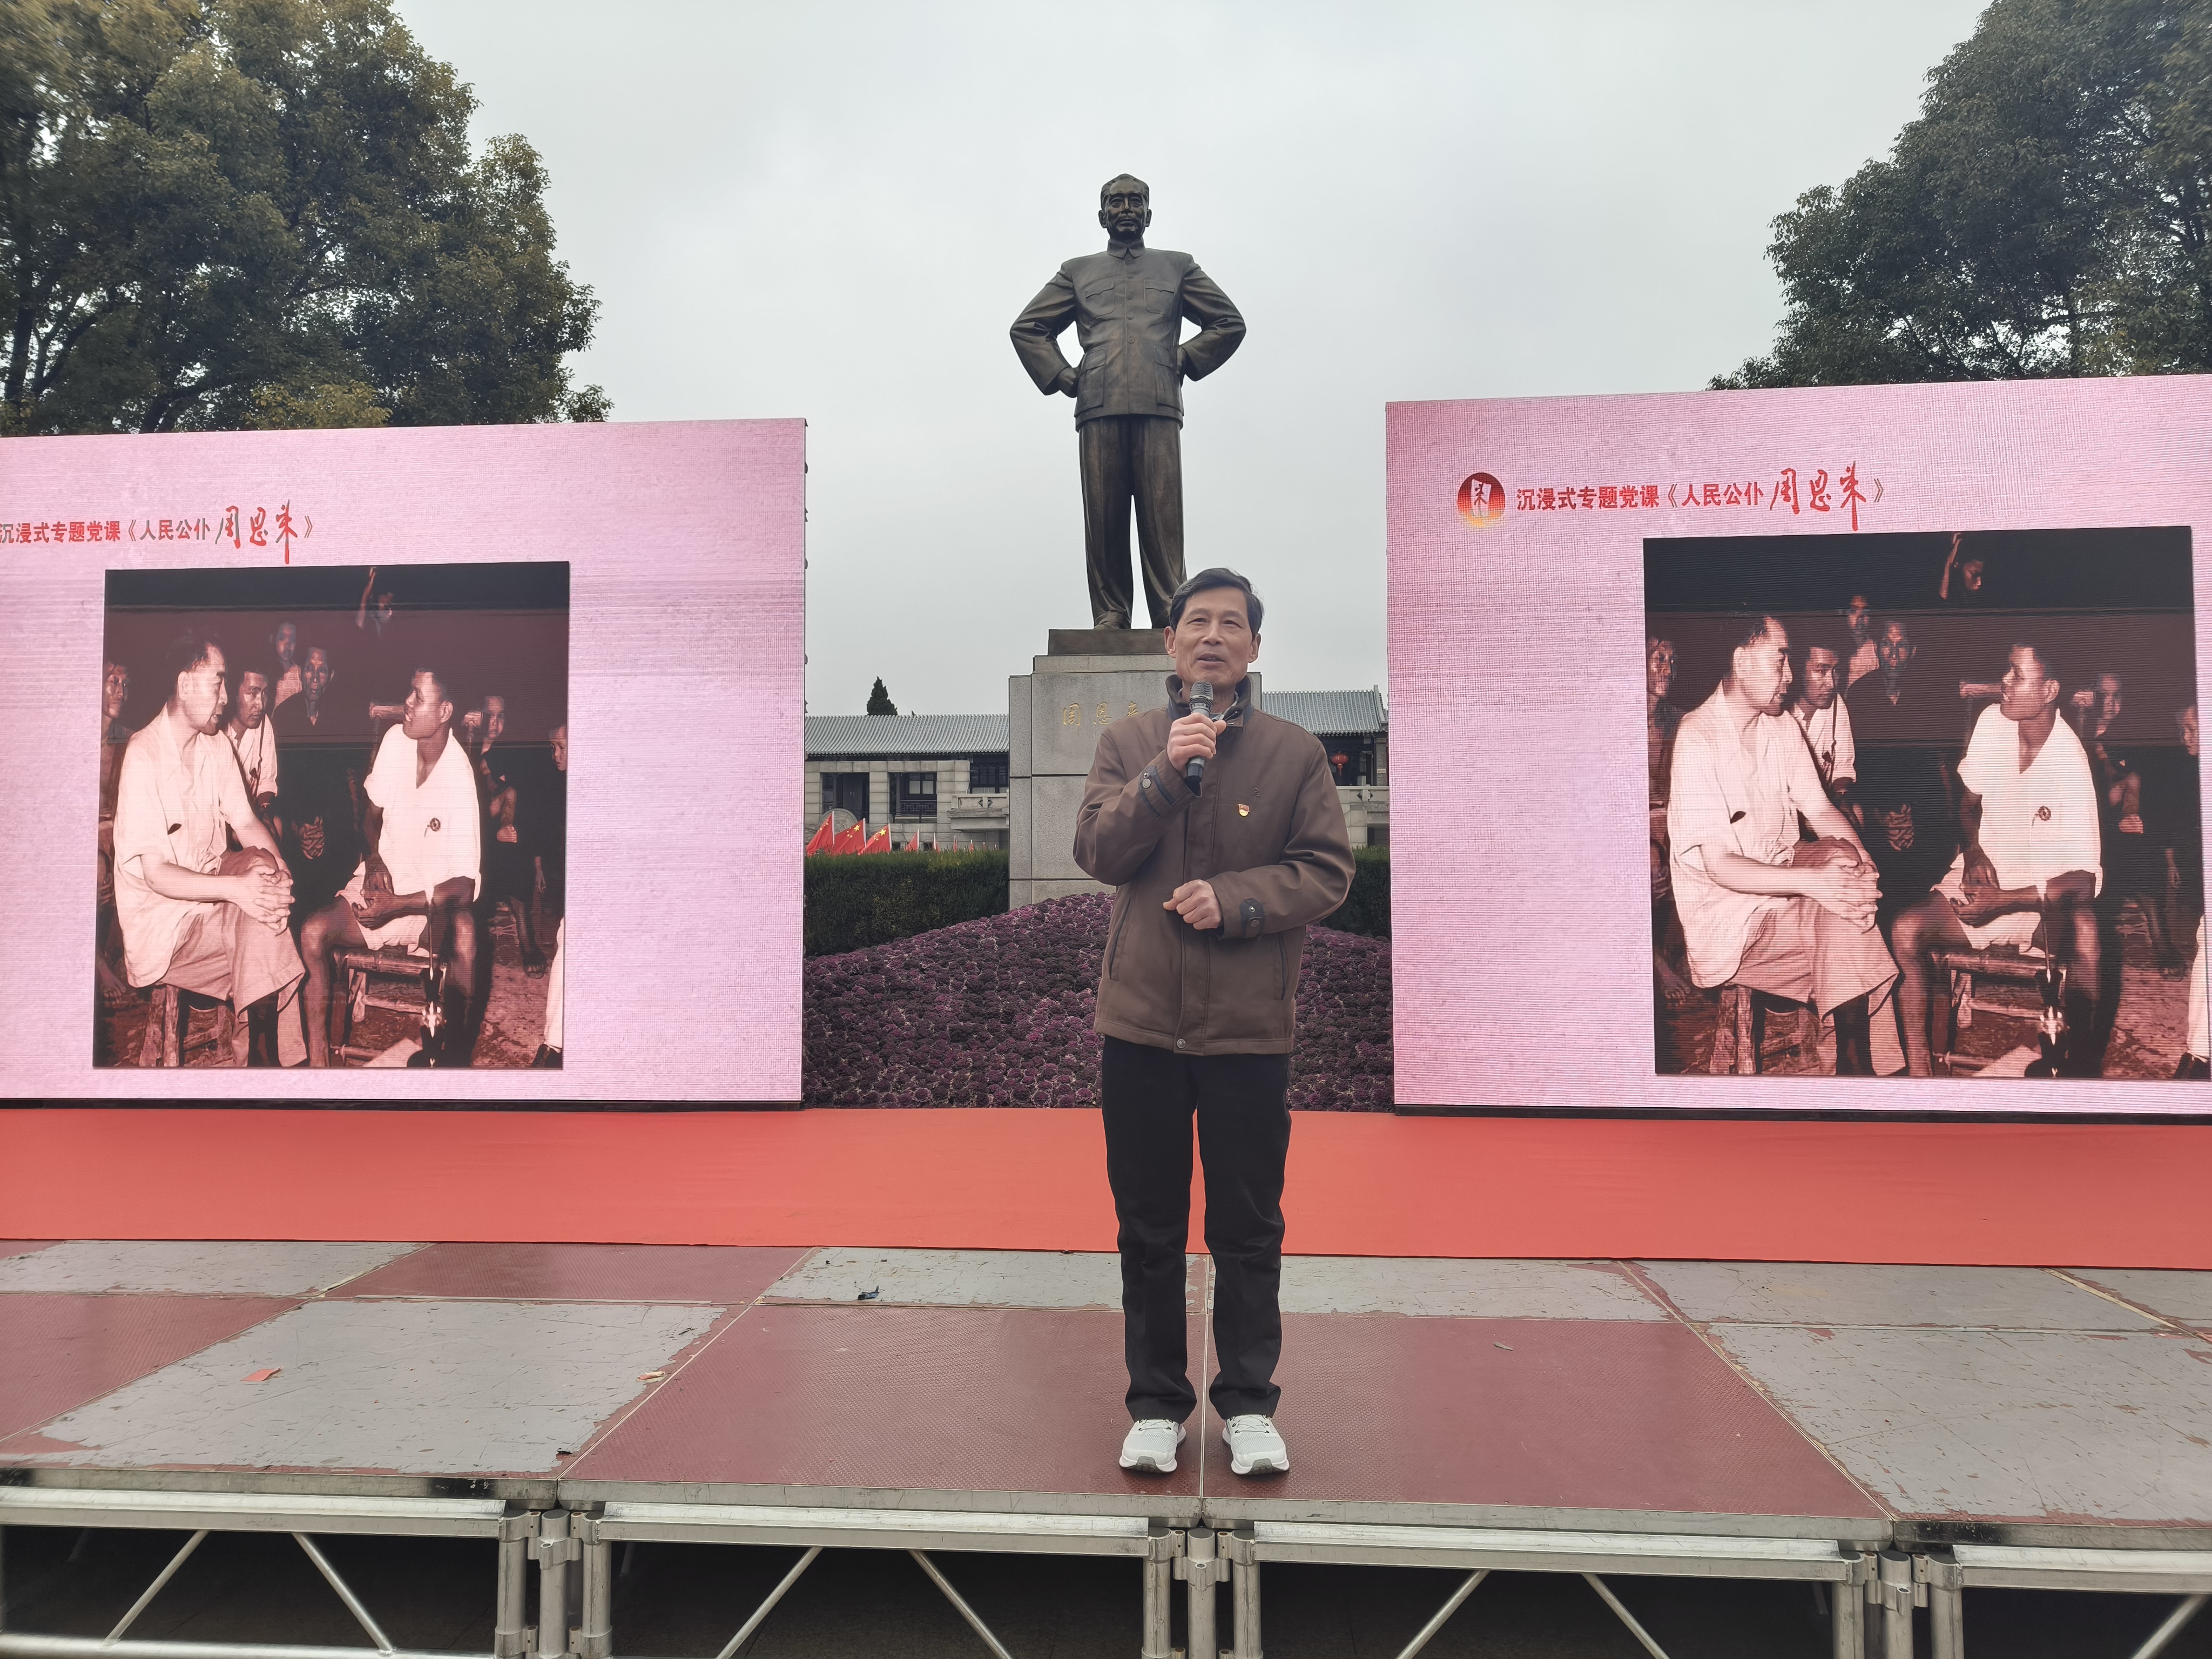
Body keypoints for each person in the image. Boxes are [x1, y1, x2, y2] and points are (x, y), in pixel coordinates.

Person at [1073, 567, 1354, 1479]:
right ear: (1170, 642)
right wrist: (1164, 776)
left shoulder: (1294, 754)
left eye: (1233, 624)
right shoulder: (1128, 742)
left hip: (1247, 1031)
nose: (1214, 637)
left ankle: (1248, 1404)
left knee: (1247, 1228)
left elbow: (1325, 871)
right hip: (1141, 1029)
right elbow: (1097, 850)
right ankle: (1157, 1405)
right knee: (1149, 1229)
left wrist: (1235, 901)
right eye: (1197, 622)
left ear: (1254, 648)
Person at [1010, 175, 1246, 629]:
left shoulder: (1177, 267)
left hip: (1159, 403)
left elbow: (1228, 322)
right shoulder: (1077, 272)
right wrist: (1062, 374)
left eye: (1135, 201)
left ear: (1149, 214)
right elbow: (1028, 328)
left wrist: (1184, 357)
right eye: (1116, 202)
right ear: (1102, 216)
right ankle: (1111, 613)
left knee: (1163, 520)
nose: (1126, 209)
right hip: (1098, 403)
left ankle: (1169, 612)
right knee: (1105, 519)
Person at [1668, 615, 1895, 1075]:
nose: (1789, 676)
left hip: (1785, 872)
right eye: (1781, 660)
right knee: (1841, 908)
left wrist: (1866, 865)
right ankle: (1857, 1064)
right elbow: (1722, 867)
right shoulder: (1698, 738)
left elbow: (1821, 809)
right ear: (1741, 661)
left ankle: (1854, 1063)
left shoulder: (1779, 725)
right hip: (1733, 913)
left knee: (1845, 870)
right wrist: (1816, 884)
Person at [1890, 643, 2102, 1076]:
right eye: (2007, 670)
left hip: (2039, 904)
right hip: (1980, 884)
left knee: (2087, 933)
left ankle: (2079, 1070)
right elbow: (1967, 806)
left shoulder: (2070, 760)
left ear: (2049, 691)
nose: (2003, 682)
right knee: (1905, 929)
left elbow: (2084, 880)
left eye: (2017, 675)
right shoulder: (1993, 722)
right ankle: (1918, 1072)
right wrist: (1973, 851)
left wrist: (2005, 901)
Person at [110, 633, 304, 1066]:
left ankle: (262, 1057)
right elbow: (157, 874)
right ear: (185, 685)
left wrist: (282, 873)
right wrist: (239, 890)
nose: (225, 697)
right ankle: (267, 1058)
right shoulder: (143, 755)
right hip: (166, 924)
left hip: (212, 891)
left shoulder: (214, 744)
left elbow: (246, 822)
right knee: (259, 913)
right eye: (218, 683)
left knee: (264, 873)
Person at [298, 666, 482, 1067]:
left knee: (466, 932)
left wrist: (399, 905)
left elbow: (466, 887)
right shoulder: (396, 741)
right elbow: (370, 816)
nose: (407, 704)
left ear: (445, 711)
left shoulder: (459, 776)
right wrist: (374, 858)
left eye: (419, 697)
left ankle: (453, 1059)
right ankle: (317, 1066)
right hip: (380, 889)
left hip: (427, 908)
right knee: (312, 932)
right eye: (409, 693)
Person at [1849, 619, 1958, 916]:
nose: (1894, 655)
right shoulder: (1859, 694)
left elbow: (1941, 767)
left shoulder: (1932, 694)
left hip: (1925, 812)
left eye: (1902, 646)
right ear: (1877, 648)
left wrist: (1918, 820)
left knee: (1926, 887)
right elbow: (1855, 767)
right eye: (1887, 644)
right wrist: (1881, 817)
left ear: (1914, 650)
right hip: (1876, 814)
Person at [273, 644, 363, 921]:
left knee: (333, 892)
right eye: (309, 669)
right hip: (296, 823)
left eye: (322, 671)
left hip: (334, 823)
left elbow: (348, 780)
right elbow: (281, 780)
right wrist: (299, 826)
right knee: (297, 898)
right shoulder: (284, 715)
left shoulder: (344, 716)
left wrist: (325, 826)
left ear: (331, 675)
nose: (314, 677)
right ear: (301, 672)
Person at [463, 692, 547, 974]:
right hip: (468, 830)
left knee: (515, 840)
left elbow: (517, 795)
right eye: (489, 716)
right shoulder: (465, 747)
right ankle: (457, 940)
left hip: (500, 836)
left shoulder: (510, 752)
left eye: (501, 717)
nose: (495, 723)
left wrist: (502, 825)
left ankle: (526, 940)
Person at [96, 661, 133, 1004]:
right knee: (98, 871)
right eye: (112, 682)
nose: (120, 691)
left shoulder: (126, 740)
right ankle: (97, 963)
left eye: (125, 684)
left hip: (116, 830)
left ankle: (120, 953)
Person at [1787, 635, 1859, 811]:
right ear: (1797, 671)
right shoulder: (1781, 714)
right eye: (1821, 671)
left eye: (1836, 671)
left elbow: (1842, 768)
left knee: (1857, 811)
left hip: (1821, 806)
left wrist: (1842, 797)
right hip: (1786, 811)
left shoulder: (1836, 704)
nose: (1832, 684)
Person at [222, 661, 280, 826]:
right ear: (233, 694)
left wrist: (265, 812)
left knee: (277, 825)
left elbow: (266, 784)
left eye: (264, 693)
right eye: (253, 693)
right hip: (222, 823)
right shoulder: (218, 733)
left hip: (249, 817)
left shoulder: (263, 724)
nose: (261, 705)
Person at [1844, 594, 1879, 687]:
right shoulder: (1834, 646)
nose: (1860, 618)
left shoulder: (1878, 648)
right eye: (1853, 611)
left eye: (1865, 611)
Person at [269, 621, 303, 709]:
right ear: (273, 639)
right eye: (282, 638)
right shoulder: (266, 673)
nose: (288, 645)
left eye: (292, 640)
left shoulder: (300, 674)